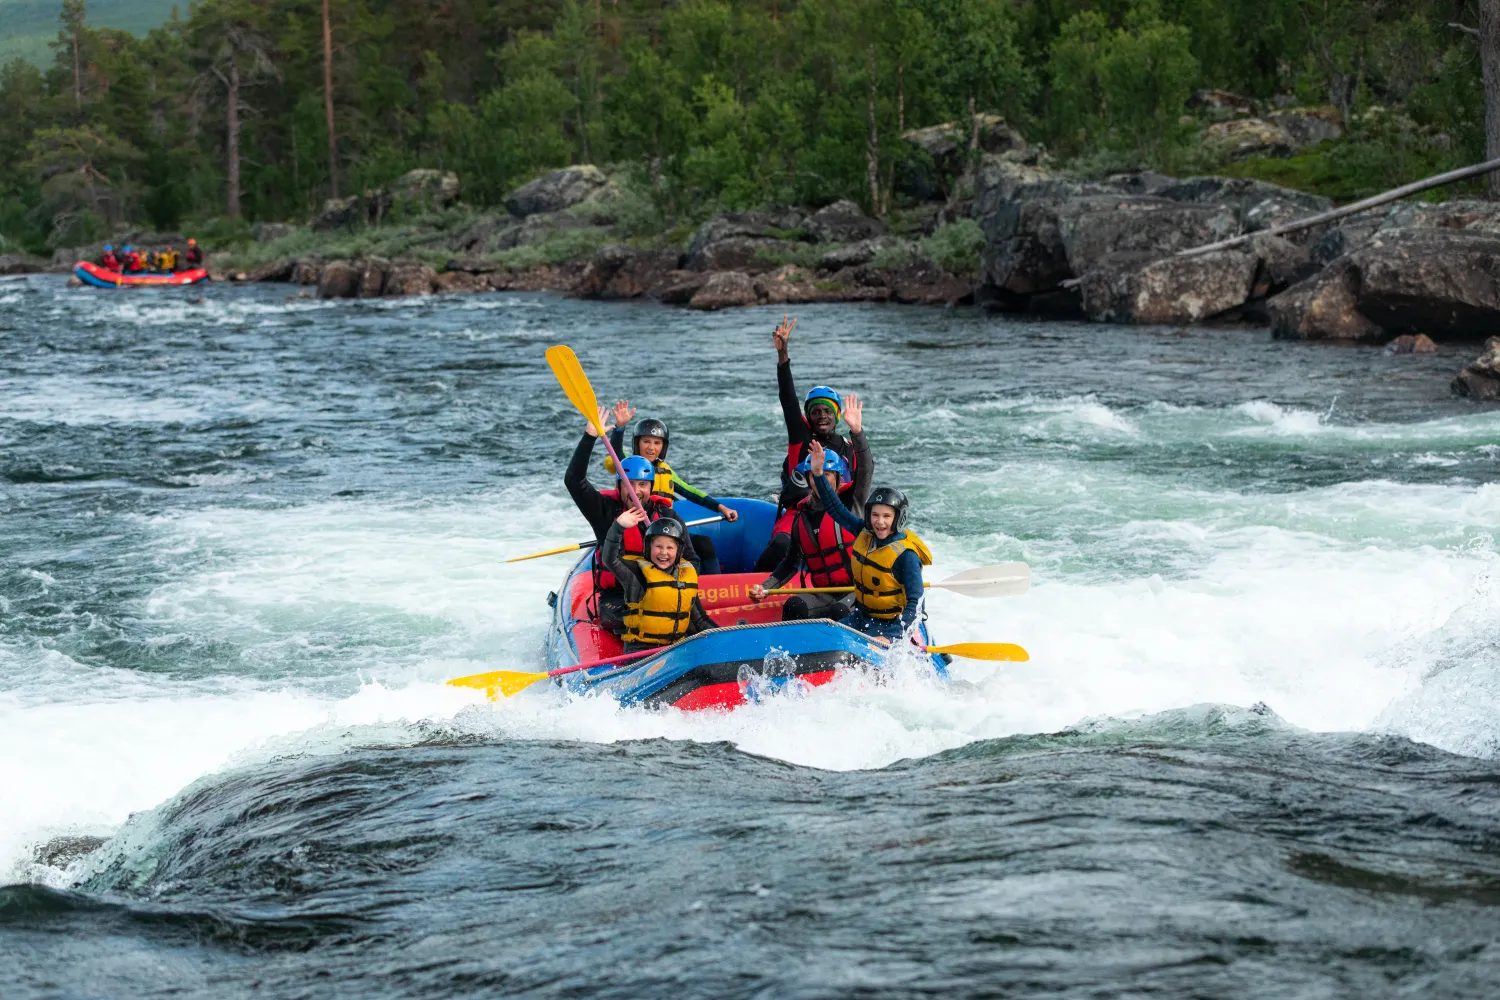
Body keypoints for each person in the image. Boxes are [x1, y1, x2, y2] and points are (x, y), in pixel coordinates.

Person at [564, 407, 699, 633]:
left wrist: (671, 581)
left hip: (662, 592)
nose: (636, 491)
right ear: (619, 486)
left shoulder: (667, 516)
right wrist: (589, 437)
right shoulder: (604, 511)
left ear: (651, 487)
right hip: (618, 598)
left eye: (642, 485)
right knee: (638, 620)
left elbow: (692, 560)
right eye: (629, 484)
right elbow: (573, 481)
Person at [748, 394, 873, 621]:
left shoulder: (852, 502)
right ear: (808, 479)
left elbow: (865, 469)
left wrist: (856, 431)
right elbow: (789, 564)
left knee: (839, 612)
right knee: (794, 605)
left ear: (839, 478)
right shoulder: (802, 516)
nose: (821, 480)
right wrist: (765, 588)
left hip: (858, 591)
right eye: (816, 475)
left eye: (828, 474)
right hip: (824, 593)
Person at [753, 314, 860, 572]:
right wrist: (783, 355)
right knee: (781, 544)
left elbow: (859, 485)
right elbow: (788, 400)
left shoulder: (848, 447)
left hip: (837, 514)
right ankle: (756, 583)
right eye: (815, 412)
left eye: (827, 411)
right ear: (808, 417)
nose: (821, 416)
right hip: (800, 512)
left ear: (836, 415)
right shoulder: (801, 438)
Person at [806, 441, 931, 646]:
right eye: (875, 515)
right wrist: (819, 475)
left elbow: (916, 603)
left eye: (886, 516)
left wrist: (891, 635)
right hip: (862, 617)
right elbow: (835, 508)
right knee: (823, 641)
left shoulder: (906, 556)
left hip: (891, 625)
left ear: (898, 518)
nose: (879, 522)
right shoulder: (864, 532)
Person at [606, 401, 738, 573]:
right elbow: (615, 451)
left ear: (663, 447)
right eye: (646, 441)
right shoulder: (628, 467)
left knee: (703, 544)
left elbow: (691, 493)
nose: (651, 448)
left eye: (657, 443)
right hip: (636, 531)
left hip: (665, 530)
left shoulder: (666, 471)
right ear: (637, 443)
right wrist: (619, 428)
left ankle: (710, 585)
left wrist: (721, 508)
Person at [602, 510, 716, 652]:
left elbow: (700, 621)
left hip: (675, 650)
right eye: (658, 546)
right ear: (648, 548)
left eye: (670, 547)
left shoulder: (685, 577)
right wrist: (618, 527)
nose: (663, 552)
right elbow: (610, 559)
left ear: (679, 551)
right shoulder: (636, 574)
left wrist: (727, 637)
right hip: (641, 651)